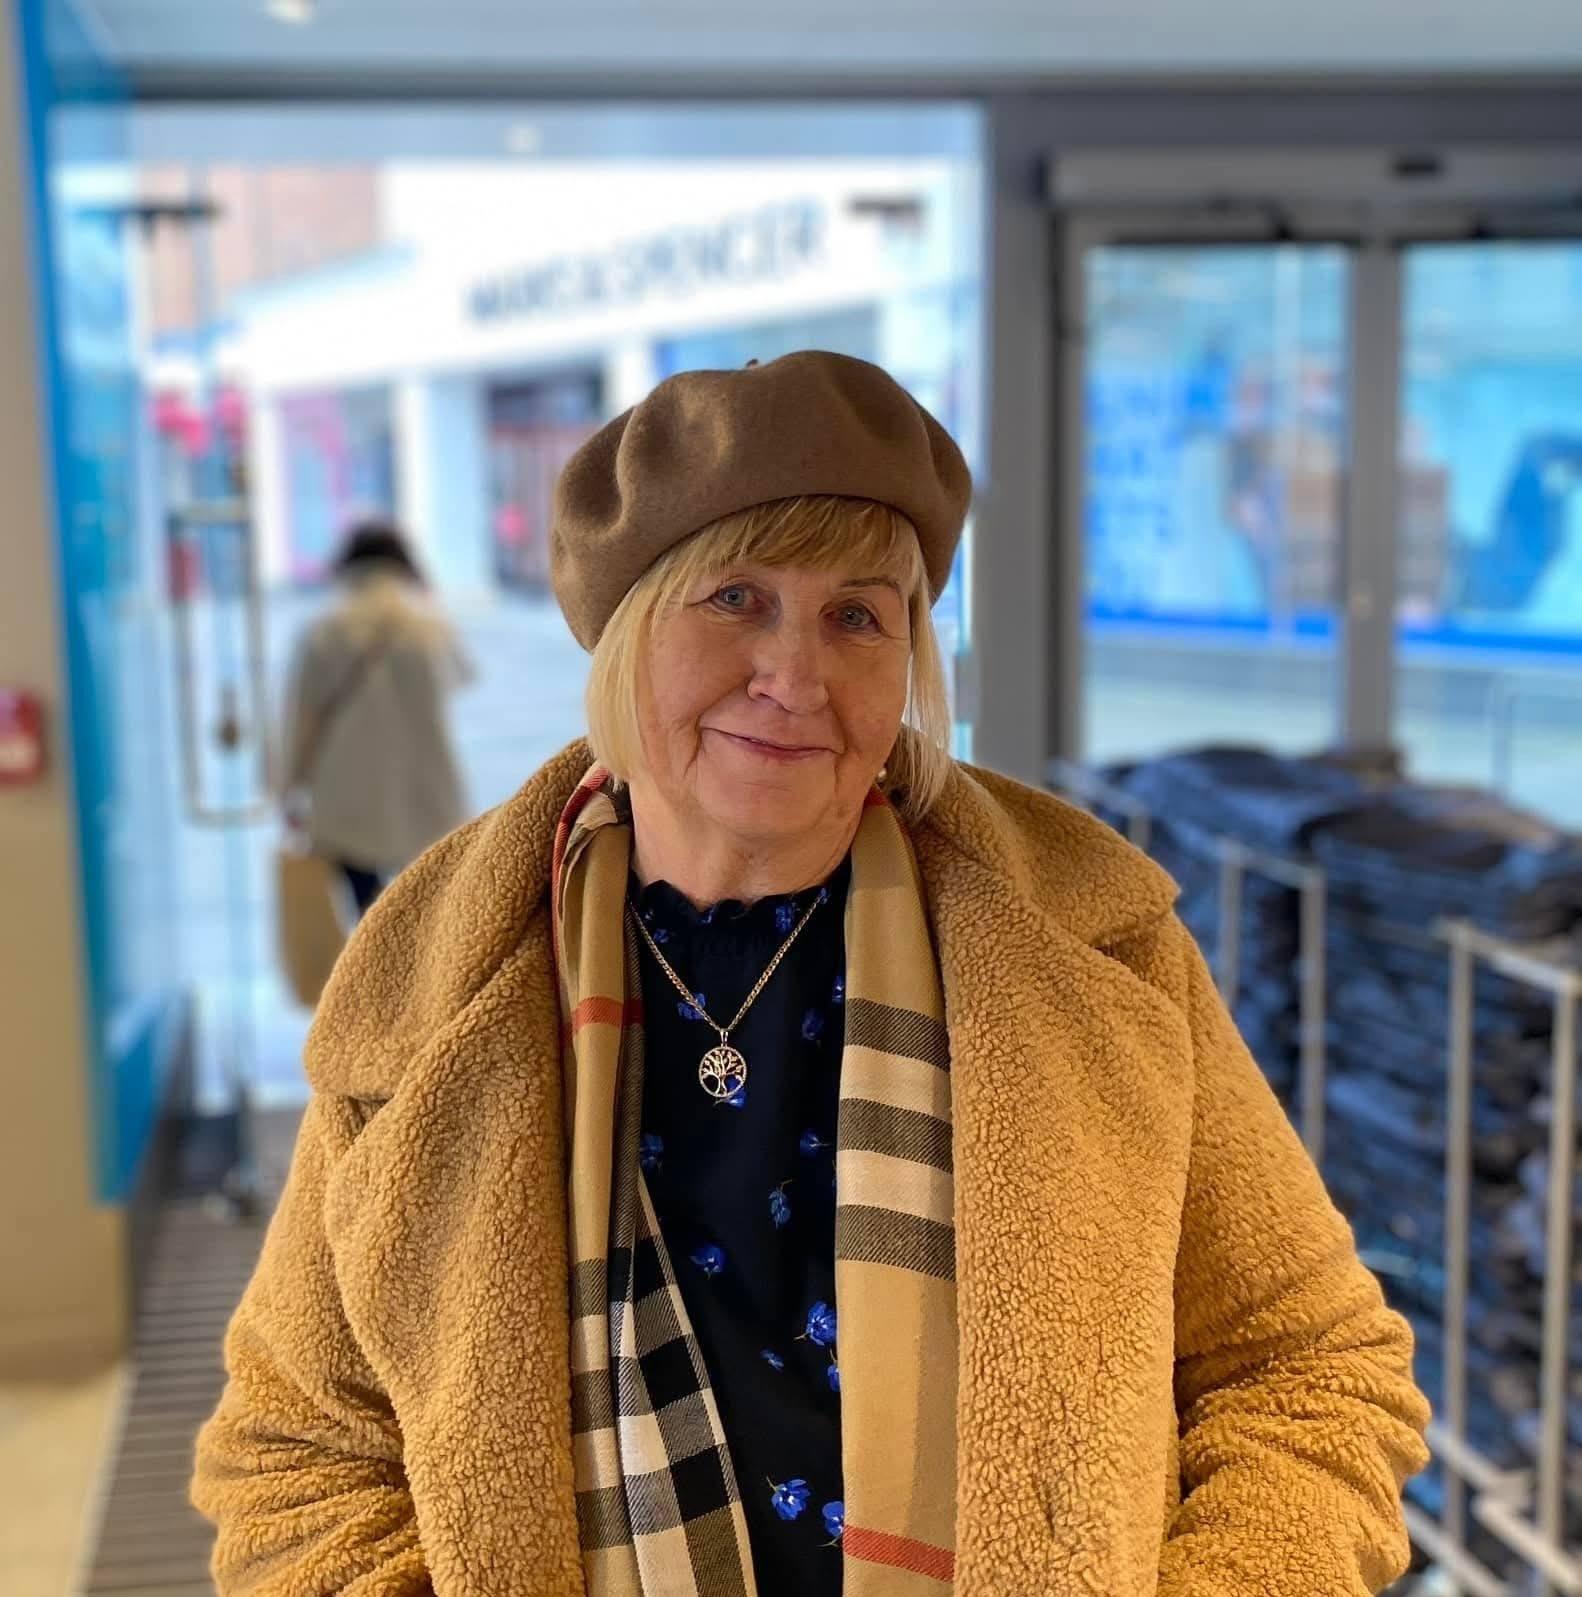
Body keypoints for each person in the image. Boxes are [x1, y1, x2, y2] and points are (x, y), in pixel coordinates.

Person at [194, 352, 1429, 1597]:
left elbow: (1311, 1367)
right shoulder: (440, 990)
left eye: (856, 616)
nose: (794, 677)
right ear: (624, 636)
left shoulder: (1090, 947)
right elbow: (297, 1449)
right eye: (735, 599)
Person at [277, 521, 472, 916]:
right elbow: (461, 679)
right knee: (423, 912)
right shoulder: (430, 627)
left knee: (365, 914)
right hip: (423, 791)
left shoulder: (324, 631)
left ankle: (371, 952)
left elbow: (301, 720)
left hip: (345, 794)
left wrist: (288, 790)